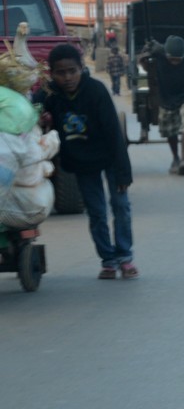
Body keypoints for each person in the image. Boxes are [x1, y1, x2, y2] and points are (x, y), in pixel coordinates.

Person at [40, 44, 137, 279]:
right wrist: (41, 116)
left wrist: (124, 173)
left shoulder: (96, 91)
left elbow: (114, 133)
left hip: (110, 156)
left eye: (72, 71)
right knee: (96, 212)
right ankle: (108, 260)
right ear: (51, 73)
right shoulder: (50, 95)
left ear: (82, 68)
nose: (67, 78)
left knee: (120, 206)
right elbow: (33, 109)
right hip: (82, 163)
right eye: (61, 73)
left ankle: (124, 256)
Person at [141, 35, 184, 176]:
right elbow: (143, 60)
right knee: (170, 131)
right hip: (166, 97)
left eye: (178, 60)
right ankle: (175, 157)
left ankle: (183, 160)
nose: (175, 62)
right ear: (166, 54)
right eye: (172, 59)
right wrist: (145, 56)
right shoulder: (158, 51)